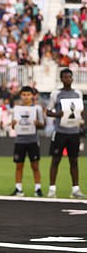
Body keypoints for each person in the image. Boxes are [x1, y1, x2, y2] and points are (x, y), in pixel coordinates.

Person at [46, 68, 85, 199]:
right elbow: (48, 111)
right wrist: (58, 114)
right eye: (65, 77)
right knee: (56, 160)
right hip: (60, 131)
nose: (68, 79)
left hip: (74, 131)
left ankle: (75, 189)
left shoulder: (78, 93)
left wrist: (82, 120)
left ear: (72, 79)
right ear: (61, 79)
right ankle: (52, 189)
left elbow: (81, 111)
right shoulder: (56, 94)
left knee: (73, 160)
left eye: (70, 77)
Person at [10, 86, 45, 197]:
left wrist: (37, 123)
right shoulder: (16, 109)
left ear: (32, 96)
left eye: (28, 94)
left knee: (35, 165)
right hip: (20, 140)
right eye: (24, 95)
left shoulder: (37, 109)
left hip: (33, 140)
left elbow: (43, 124)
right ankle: (18, 188)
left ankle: (38, 188)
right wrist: (14, 123)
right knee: (19, 165)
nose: (26, 97)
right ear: (21, 96)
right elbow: (12, 126)